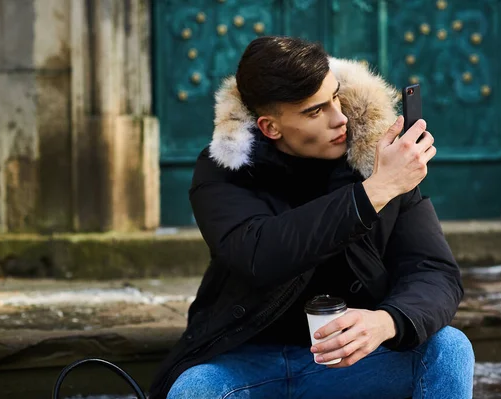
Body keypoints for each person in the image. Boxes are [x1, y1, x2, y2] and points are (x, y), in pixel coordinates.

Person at [150, 36, 474, 399]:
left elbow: (434, 271)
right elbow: (259, 253)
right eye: (315, 111)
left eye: (336, 96)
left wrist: (387, 322)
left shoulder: (374, 159)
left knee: (449, 347)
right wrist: (375, 192)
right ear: (271, 127)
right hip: (246, 363)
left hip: (350, 364)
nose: (340, 119)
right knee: (193, 390)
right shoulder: (225, 169)